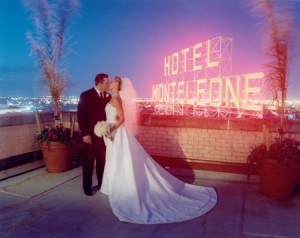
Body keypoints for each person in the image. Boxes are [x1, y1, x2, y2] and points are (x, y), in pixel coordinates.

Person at [99, 76, 217, 224]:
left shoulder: (116, 99)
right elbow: (114, 116)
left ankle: (120, 188)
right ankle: (111, 187)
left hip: (115, 132)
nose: (109, 83)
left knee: (117, 160)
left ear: (117, 85)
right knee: (111, 159)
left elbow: (122, 119)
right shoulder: (112, 97)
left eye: (112, 81)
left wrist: (111, 129)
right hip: (111, 132)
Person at [77, 73, 111, 196]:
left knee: (102, 162)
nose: (109, 84)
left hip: (103, 136)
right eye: (107, 82)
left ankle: (102, 184)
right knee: (88, 162)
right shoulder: (85, 95)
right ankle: (87, 187)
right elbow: (81, 116)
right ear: (100, 83)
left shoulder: (108, 97)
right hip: (90, 136)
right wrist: (85, 134)